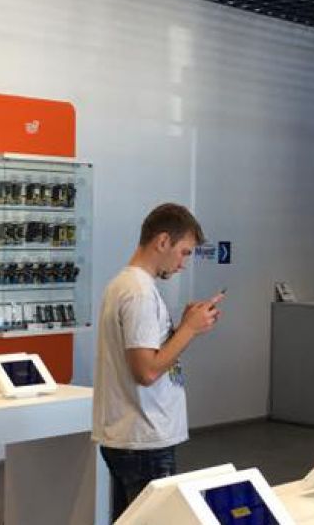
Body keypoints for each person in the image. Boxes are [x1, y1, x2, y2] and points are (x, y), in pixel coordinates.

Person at [92, 203, 224, 522]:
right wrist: (189, 330)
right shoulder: (138, 293)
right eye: (184, 253)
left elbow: (150, 357)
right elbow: (147, 371)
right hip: (144, 438)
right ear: (163, 241)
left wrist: (182, 329)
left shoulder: (126, 285)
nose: (183, 264)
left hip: (134, 435)